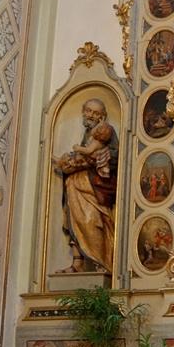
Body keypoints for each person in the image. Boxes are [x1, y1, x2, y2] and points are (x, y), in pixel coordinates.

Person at [52, 98, 118, 273]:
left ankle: (101, 263)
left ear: (102, 117)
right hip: (75, 185)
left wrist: (87, 159)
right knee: (74, 221)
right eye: (88, 110)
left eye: (95, 113)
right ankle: (77, 263)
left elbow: (112, 157)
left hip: (93, 188)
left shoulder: (105, 133)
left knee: (91, 220)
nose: (90, 115)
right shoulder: (88, 134)